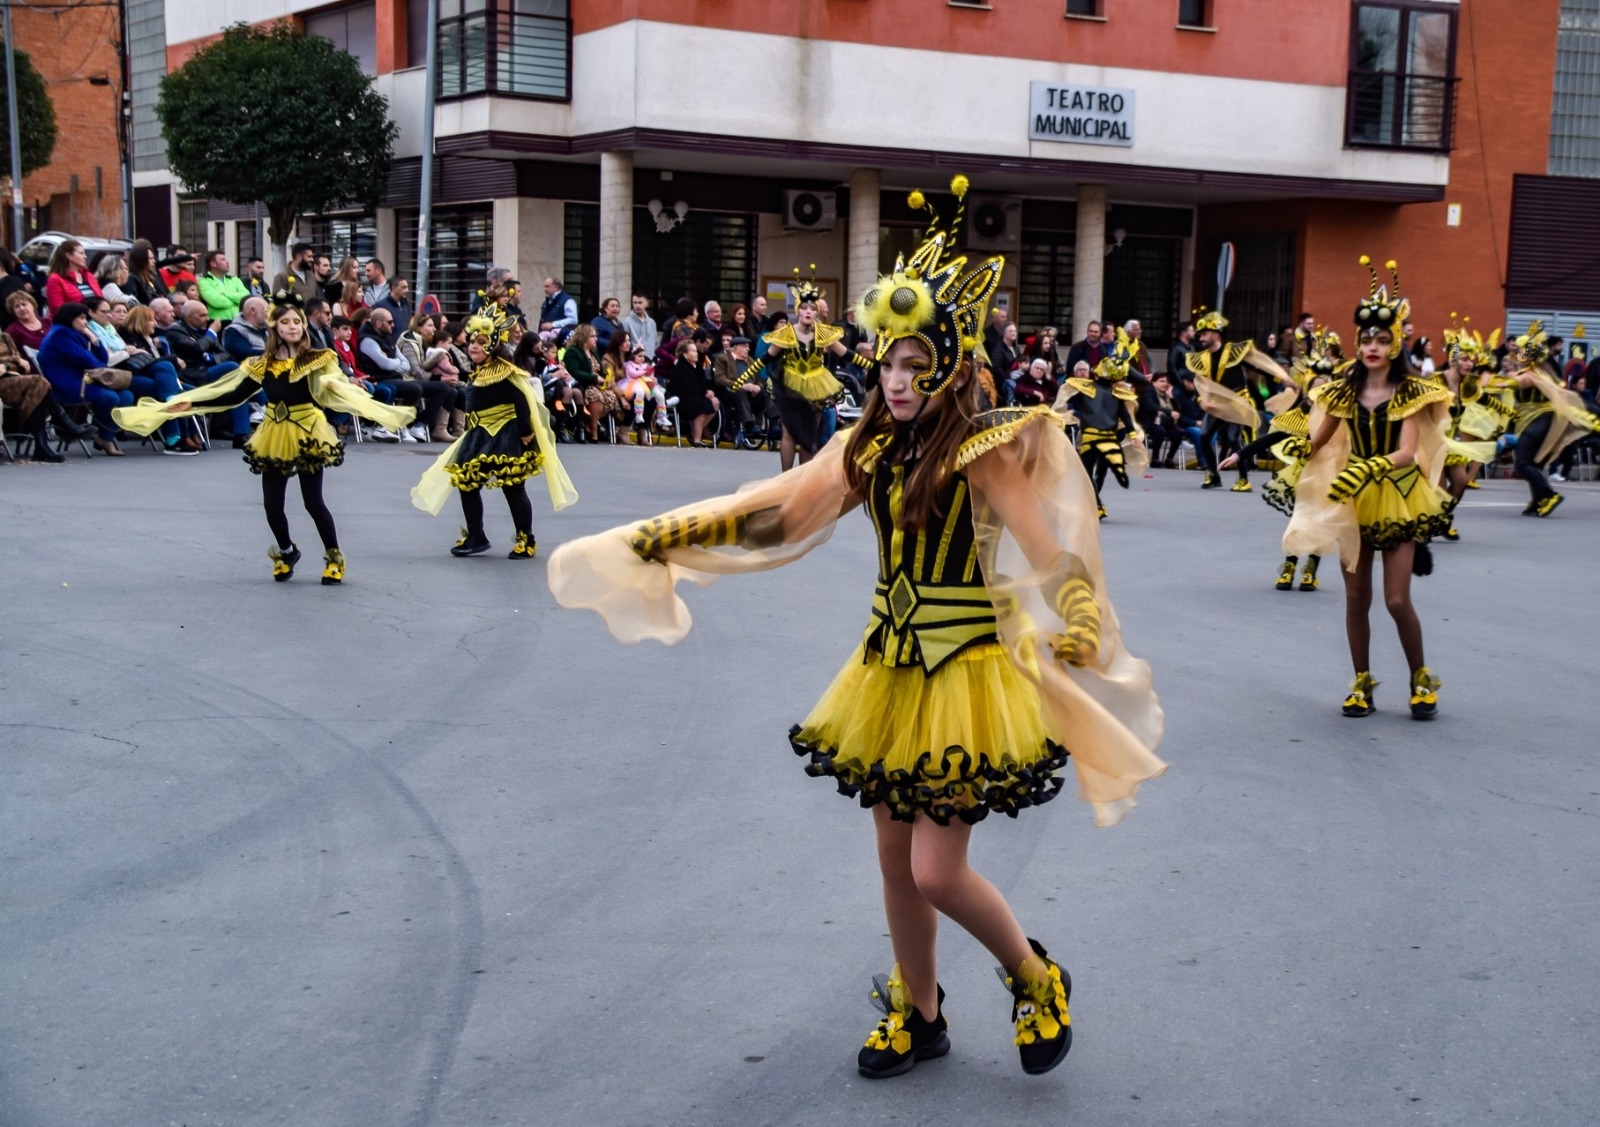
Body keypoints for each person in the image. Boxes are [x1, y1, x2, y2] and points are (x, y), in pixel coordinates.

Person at [548, 179, 1164, 1081]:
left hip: (965, 675)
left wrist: (1076, 614)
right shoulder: (869, 447)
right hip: (888, 667)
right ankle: (920, 1011)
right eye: (889, 364)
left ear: (951, 365)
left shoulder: (982, 449)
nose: (899, 381)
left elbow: (1052, 548)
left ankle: (1036, 978)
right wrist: (666, 539)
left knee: (937, 871)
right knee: (892, 855)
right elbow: (774, 514)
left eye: (917, 366)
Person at [115, 291, 416, 583]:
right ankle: (287, 551)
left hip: (308, 430)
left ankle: (334, 557)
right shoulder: (262, 364)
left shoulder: (317, 359)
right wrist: (190, 404)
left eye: (296, 322)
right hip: (273, 432)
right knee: (272, 504)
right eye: (285, 323)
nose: (292, 327)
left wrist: (340, 387)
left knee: (314, 502)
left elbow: (329, 387)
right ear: (275, 327)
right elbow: (234, 394)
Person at [1284, 258, 1455, 719]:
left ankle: (1420, 679)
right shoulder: (1342, 390)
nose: (1372, 346)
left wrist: (1367, 469)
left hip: (1398, 496)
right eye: (1366, 339)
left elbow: (1406, 452)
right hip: (1352, 501)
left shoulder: (1411, 391)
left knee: (1398, 601)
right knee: (1357, 598)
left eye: (1382, 339)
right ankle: (1361, 683)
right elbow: (1317, 440)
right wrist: (1280, 450)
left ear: (1395, 343)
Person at [411, 307, 577, 559]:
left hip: (506, 433)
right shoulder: (480, 370)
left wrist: (524, 432)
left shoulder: (504, 371)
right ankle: (476, 536)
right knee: (467, 483)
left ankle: (526, 538)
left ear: (493, 344)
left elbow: (523, 400)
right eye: (472, 342)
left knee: (512, 486)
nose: (473, 347)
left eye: (481, 343)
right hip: (479, 434)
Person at [1222, 327, 1346, 591]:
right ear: (1305, 394)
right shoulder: (1297, 418)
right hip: (1302, 476)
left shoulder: (1338, 421)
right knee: (1300, 522)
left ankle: (1311, 567)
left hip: (1330, 476)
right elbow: (1269, 439)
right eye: (1314, 392)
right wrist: (1238, 455)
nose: (1318, 398)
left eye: (1324, 393)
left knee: (1320, 524)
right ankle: (1290, 565)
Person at [742, 267, 870, 469]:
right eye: (804, 308)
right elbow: (767, 357)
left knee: (809, 434)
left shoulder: (824, 334)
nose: (808, 311)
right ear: (798, 311)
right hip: (790, 384)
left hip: (816, 385)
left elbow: (846, 353)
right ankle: (785, 477)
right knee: (789, 432)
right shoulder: (786, 333)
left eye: (812, 308)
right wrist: (745, 376)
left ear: (816, 312)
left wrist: (873, 366)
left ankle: (800, 478)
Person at [1185, 307, 1291, 491]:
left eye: (1204, 333)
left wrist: (1283, 379)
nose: (1200, 337)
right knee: (1204, 436)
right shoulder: (1201, 358)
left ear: (1216, 334)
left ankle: (1243, 479)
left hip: (1237, 402)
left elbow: (1259, 367)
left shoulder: (1234, 351)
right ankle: (1213, 474)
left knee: (1233, 438)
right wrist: (1201, 401)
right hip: (1217, 405)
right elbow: (1198, 385)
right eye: (1199, 334)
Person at [1501, 320, 1599, 517]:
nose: (1516, 354)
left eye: (1520, 351)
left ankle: (1549, 494)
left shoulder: (1532, 375)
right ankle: (1538, 501)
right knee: (1533, 463)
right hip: (1536, 420)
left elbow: (1512, 383)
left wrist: (1486, 380)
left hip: (1539, 420)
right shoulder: (1536, 372)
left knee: (1523, 463)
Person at [1053, 331, 1145, 520]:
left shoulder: (1085, 389)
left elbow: (1065, 400)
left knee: (1086, 473)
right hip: (1109, 439)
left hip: (1090, 439)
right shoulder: (1117, 394)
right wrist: (1133, 436)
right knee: (1100, 472)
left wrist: (1057, 415)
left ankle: (1096, 505)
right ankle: (1094, 503)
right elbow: (1126, 419)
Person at [37, 302, 130, 455]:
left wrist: (94, 339)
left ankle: (104, 437)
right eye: (81, 318)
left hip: (81, 380)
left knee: (126, 395)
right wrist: (98, 361)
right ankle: (95, 429)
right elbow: (91, 362)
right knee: (110, 397)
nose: (85, 322)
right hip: (66, 385)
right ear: (69, 318)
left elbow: (102, 361)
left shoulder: (74, 333)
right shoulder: (60, 335)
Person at [0, 319, 95, 461]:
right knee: (38, 383)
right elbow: (17, 361)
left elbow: (20, 365)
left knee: (37, 391)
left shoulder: (4, 338)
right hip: (4, 385)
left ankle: (42, 447)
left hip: (10, 380)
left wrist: (10, 364)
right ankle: (66, 426)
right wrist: (14, 361)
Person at [356, 307, 433, 442]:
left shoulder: (388, 338)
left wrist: (393, 361)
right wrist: (396, 362)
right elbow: (384, 364)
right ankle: (398, 425)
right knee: (414, 388)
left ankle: (407, 425)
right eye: (390, 322)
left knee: (443, 389)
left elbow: (406, 364)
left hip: (393, 377)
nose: (393, 325)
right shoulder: (368, 340)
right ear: (379, 324)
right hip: (378, 378)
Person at [665, 335, 718, 446]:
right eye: (693, 351)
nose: (696, 353)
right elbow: (686, 386)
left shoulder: (698, 366)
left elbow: (705, 382)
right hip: (682, 398)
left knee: (714, 405)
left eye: (695, 351)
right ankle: (697, 439)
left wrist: (709, 391)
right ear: (685, 354)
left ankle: (694, 432)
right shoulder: (680, 367)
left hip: (697, 396)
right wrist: (704, 393)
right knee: (701, 407)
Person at [43, 240, 104, 313]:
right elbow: (58, 309)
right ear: (69, 256)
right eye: (81, 253)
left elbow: (101, 300)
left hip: (95, 321)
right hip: (70, 322)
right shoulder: (55, 279)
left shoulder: (90, 276)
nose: (85, 257)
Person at [198, 251, 250, 324]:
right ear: (213, 264)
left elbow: (246, 298)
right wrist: (236, 301)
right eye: (223, 260)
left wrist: (225, 294)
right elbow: (218, 302)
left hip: (239, 322)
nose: (227, 262)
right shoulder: (204, 281)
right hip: (219, 323)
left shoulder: (234, 279)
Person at [125, 240, 170, 306]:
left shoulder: (150, 278)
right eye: (151, 259)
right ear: (142, 260)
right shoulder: (132, 279)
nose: (154, 261)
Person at [539, 276, 579, 343]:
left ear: (556, 287)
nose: (544, 289)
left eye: (547, 286)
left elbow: (573, 320)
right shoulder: (546, 302)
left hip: (561, 340)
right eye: (544, 286)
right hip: (547, 341)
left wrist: (553, 325)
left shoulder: (568, 301)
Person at [621, 293, 659, 360]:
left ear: (646, 303)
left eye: (640, 303)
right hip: (634, 362)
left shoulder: (652, 322)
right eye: (635, 303)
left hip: (651, 360)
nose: (637, 305)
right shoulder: (627, 322)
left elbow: (655, 342)